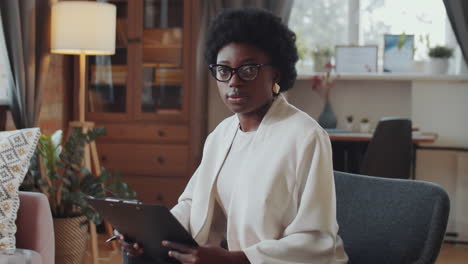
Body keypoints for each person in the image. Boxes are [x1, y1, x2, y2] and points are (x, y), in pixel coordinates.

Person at [119, 7, 348, 264]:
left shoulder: (306, 137)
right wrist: (149, 234)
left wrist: (237, 259)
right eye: (224, 70)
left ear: (277, 74)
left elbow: (317, 241)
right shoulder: (221, 134)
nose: (233, 82)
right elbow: (193, 205)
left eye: (248, 70)